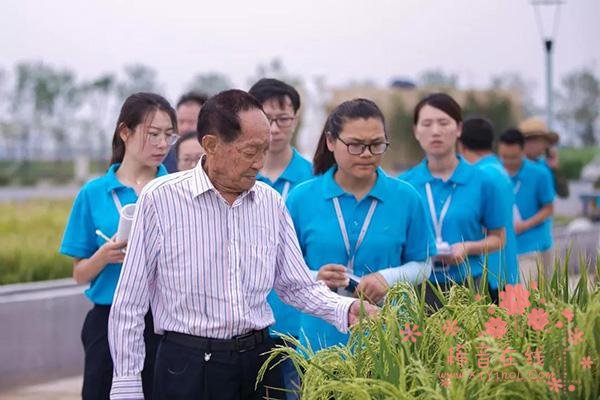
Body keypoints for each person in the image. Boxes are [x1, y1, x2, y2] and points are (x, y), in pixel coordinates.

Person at [107, 89, 378, 400]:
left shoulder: (269, 203)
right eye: (250, 152)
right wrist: (126, 383)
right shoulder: (161, 199)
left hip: (258, 361)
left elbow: (296, 285)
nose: (259, 163)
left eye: (264, 151)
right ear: (211, 145)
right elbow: (130, 302)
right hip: (188, 366)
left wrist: (346, 309)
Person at [286, 98, 434, 351]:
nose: (367, 154)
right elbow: (283, 270)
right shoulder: (301, 198)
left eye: (376, 144)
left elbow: (423, 265)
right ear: (331, 142)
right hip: (320, 342)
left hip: (388, 339)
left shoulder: (406, 197)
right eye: (355, 145)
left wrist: (387, 278)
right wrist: (315, 276)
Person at [59, 92, 178, 399]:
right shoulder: (93, 193)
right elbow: (80, 274)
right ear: (125, 132)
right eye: (153, 134)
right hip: (108, 320)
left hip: (164, 322)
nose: (162, 145)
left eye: (168, 135)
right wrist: (103, 256)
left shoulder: (176, 191)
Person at [399, 93, 505, 308]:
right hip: (416, 288)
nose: (435, 131)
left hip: (468, 287)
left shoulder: (483, 181)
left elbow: (499, 238)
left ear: (458, 129)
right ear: (416, 131)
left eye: (444, 123)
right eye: (427, 124)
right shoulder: (404, 185)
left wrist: (467, 247)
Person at [248, 78, 313, 397]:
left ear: (296, 119)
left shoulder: (313, 178)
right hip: (246, 320)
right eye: (265, 118)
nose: (273, 128)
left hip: (298, 320)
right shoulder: (237, 176)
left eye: (283, 118)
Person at [457, 117, 519, 303]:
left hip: (488, 270)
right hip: (506, 265)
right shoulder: (500, 171)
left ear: (460, 144)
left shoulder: (478, 176)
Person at [498, 128, 555, 284]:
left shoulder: (540, 174)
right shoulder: (495, 173)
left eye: (514, 157)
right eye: (504, 157)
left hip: (534, 244)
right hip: (505, 246)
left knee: (530, 296)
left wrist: (525, 225)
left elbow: (549, 208)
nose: (508, 162)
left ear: (523, 151)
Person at [519, 117, 569, 198]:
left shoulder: (546, 166)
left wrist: (555, 168)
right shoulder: (514, 165)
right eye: (529, 140)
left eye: (543, 141)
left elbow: (564, 193)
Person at [163, 91, 208, 172]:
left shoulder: (219, 154)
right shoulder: (164, 155)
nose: (185, 128)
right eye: (181, 122)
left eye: (191, 122)